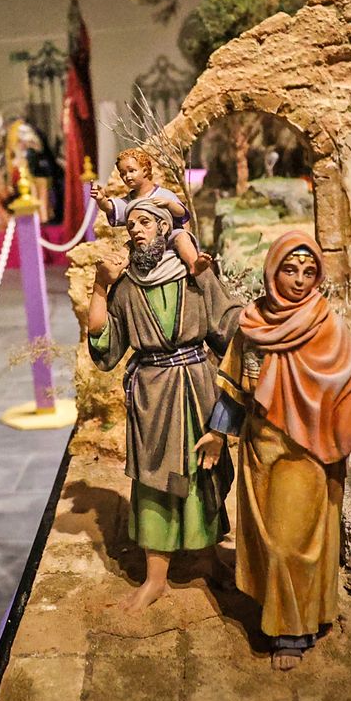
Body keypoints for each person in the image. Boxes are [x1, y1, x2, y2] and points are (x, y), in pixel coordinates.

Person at [195, 231, 351, 671]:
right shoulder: (252, 323)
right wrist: (218, 432)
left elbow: (350, 392)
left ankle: (292, 630)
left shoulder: (328, 326)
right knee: (269, 544)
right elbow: (235, 387)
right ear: (273, 270)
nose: (298, 279)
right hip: (261, 453)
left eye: (308, 271)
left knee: (295, 547)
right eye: (290, 269)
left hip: (309, 457)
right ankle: (293, 617)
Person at [84, 198, 242, 612]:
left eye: (146, 223)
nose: (136, 230)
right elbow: (105, 347)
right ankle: (156, 577)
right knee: (155, 480)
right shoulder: (126, 287)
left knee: (204, 474)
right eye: (131, 223)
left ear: (164, 228)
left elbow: (227, 323)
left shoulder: (194, 277)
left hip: (198, 386)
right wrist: (101, 286)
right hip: (153, 395)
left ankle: (207, 560)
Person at [90, 146, 209, 277]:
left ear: (145, 171)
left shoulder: (163, 194)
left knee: (182, 237)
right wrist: (101, 199)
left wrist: (169, 204)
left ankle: (193, 265)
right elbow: (110, 207)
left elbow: (182, 214)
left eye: (131, 171)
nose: (127, 176)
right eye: (123, 174)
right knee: (127, 248)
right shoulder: (129, 201)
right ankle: (112, 272)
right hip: (142, 241)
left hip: (167, 238)